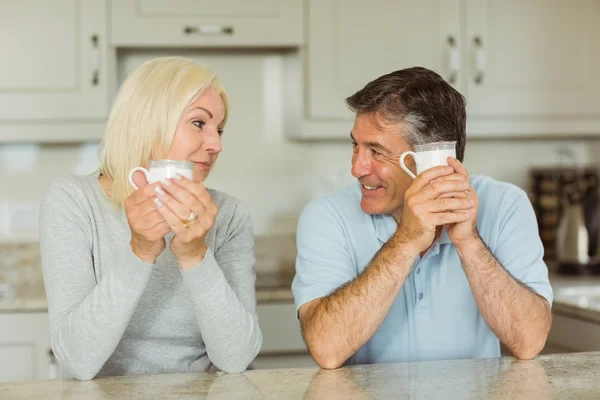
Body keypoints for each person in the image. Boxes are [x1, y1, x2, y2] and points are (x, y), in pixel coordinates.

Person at [292, 66, 552, 369]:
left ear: (432, 160)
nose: (357, 168)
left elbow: (529, 341)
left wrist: (468, 242)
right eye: (355, 145)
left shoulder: (506, 205)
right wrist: (405, 242)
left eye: (376, 151)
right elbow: (326, 349)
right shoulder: (327, 215)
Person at [40, 57, 262, 380]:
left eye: (220, 129)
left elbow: (237, 358)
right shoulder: (73, 202)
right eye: (199, 123)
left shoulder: (228, 216)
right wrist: (139, 251)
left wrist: (195, 255)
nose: (216, 145)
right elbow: (77, 361)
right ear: (149, 123)